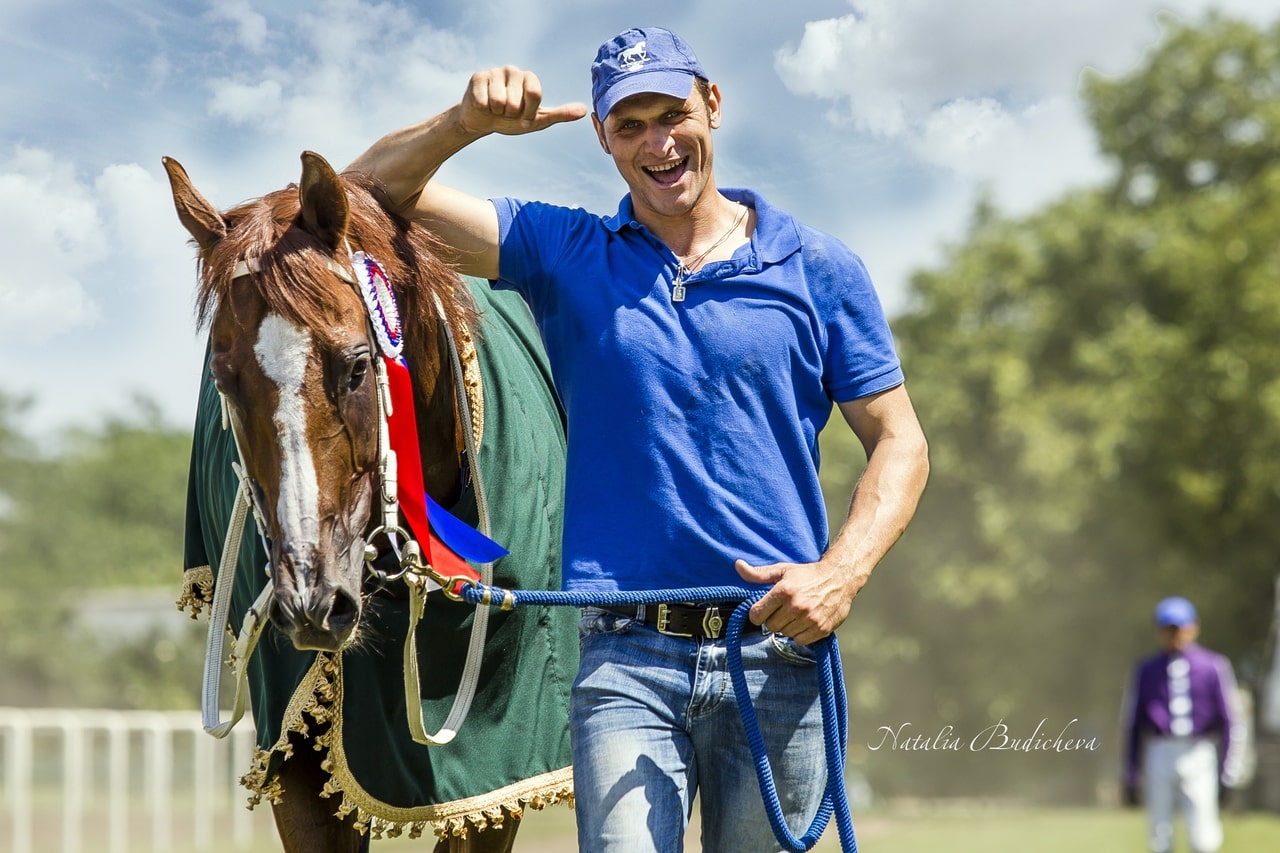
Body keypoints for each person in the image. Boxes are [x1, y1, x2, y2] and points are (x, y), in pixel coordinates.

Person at [348, 26, 929, 852]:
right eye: (630, 126)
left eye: (673, 113)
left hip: (776, 653)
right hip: (624, 662)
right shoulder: (565, 251)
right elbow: (359, 192)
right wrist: (463, 125)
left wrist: (844, 572)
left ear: (713, 106)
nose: (659, 144)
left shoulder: (819, 269)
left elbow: (901, 441)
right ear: (603, 139)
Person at [1122, 596, 1247, 853]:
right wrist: (1130, 772)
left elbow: (1231, 720)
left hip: (1198, 752)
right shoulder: (1146, 670)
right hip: (1160, 751)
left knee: (1203, 838)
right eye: (1168, 630)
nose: (1175, 636)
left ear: (1194, 628)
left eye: (1179, 629)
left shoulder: (1214, 666)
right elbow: (1132, 723)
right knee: (1161, 836)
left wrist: (1229, 771)